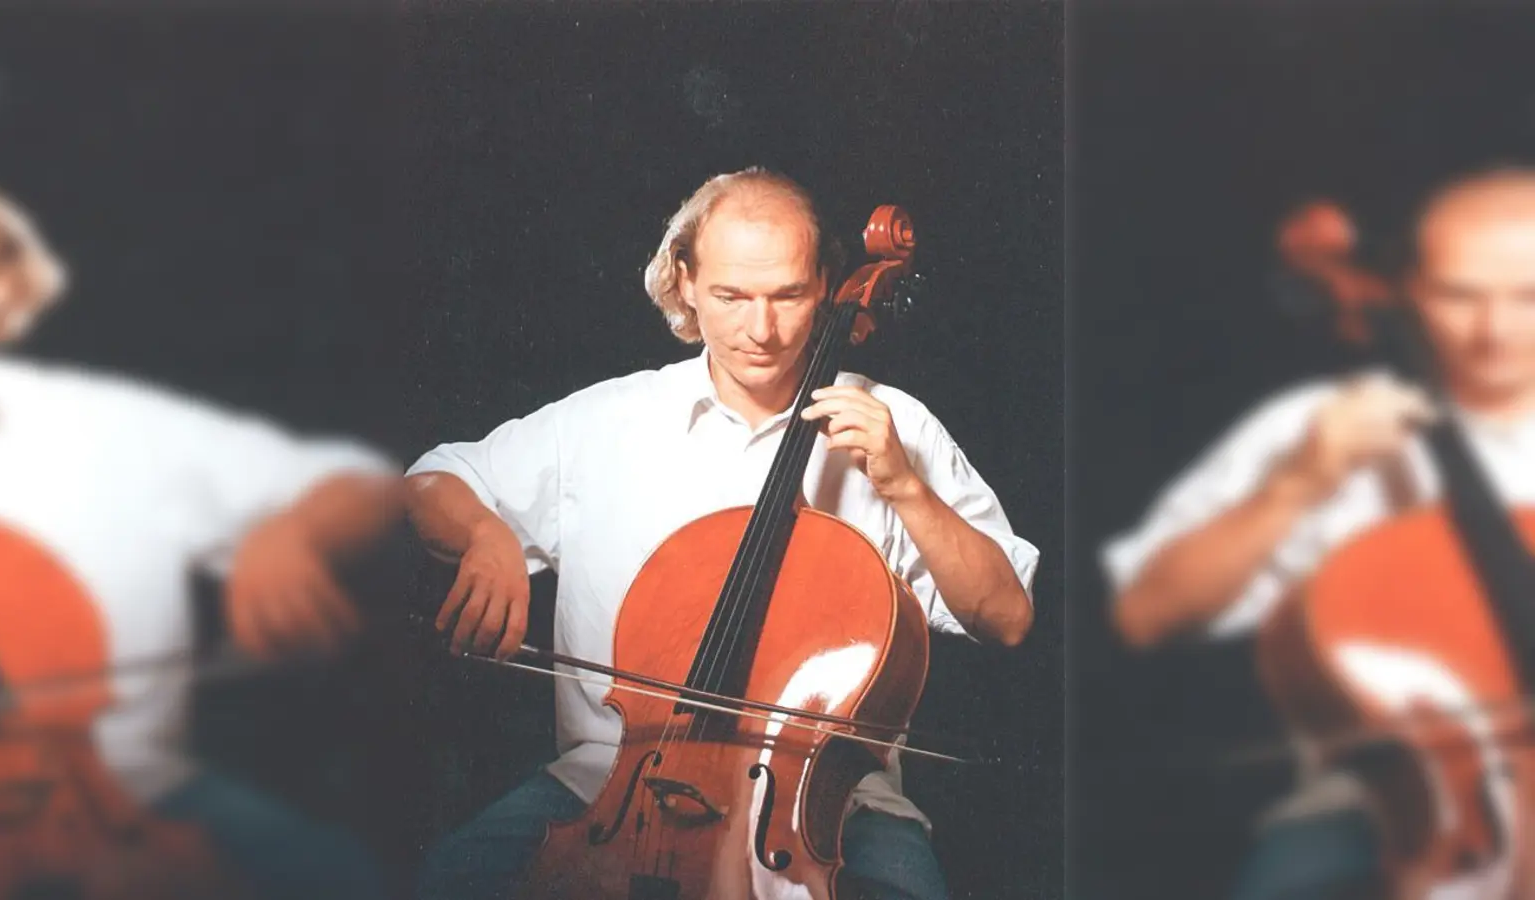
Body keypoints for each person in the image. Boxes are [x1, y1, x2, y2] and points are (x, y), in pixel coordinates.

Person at [404, 167, 1039, 900]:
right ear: (686, 283)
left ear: (829, 285)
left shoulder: (897, 427)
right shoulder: (607, 422)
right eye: (733, 297)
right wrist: (486, 535)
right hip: (609, 784)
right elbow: (432, 481)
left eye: (788, 297)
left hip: (828, 809)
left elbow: (1008, 619)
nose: (760, 330)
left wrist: (903, 486)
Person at [0, 168, 401, 899]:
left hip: (119, 794)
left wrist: (291, 530)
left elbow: (361, 482)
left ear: (2, 290)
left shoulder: (105, 429)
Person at [1104, 165, 1535, 899]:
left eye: (1528, 297)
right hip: (1382, 815)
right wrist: (1296, 483)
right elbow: (1145, 613)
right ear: (1407, 292)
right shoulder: (1316, 429)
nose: (1494, 332)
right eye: (1463, 296)